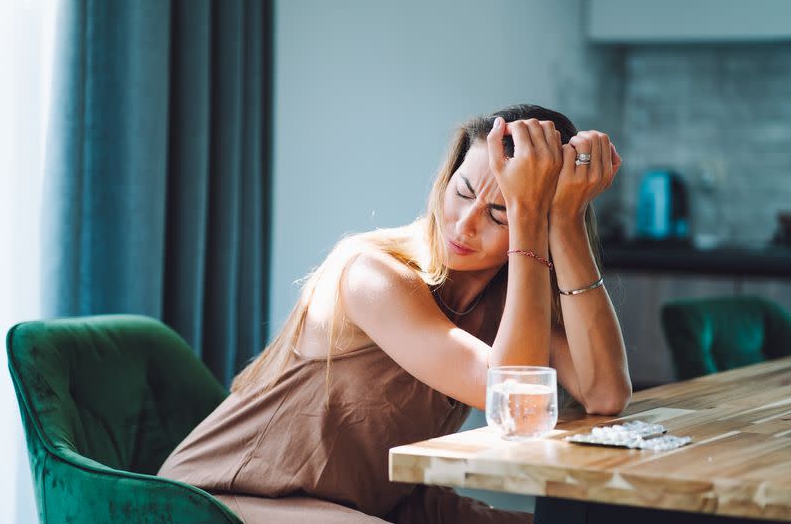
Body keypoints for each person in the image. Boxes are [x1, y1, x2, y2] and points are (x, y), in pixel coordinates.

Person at [156, 104, 632, 523]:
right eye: (462, 192)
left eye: (499, 214)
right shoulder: (370, 273)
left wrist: (565, 219)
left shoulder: (505, 302)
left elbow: (604, 392)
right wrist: (526, 214)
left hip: (371, 500)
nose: (464, 224)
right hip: (221, 500)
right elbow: (515, 402)